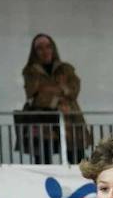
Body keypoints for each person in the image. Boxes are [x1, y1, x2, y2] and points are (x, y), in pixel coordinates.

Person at [19, 33, 91, 164]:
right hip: (44, 123)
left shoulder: (66, 69)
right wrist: (60, 94)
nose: (45, 51)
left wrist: (48, 89)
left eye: (48, 47)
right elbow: (35, 96)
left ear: (53, 48)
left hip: (70, 120)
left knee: (77, 158)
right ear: (35, 52)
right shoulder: (30, 71)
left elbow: (74, 90)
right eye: (40, 48)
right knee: (43, 159)